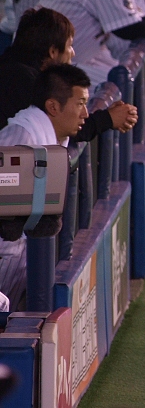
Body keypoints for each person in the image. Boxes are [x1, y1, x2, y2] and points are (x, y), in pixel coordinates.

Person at [0, 64, 93, 311]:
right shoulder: (22, 138)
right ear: (53, 106)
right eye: (80, 103)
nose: (86, 113)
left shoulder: (51, 134)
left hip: (16, 257)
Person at [0, 7, 137, 136]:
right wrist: (108, 119)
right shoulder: (23, 80)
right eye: (69, 46)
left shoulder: (12, 66)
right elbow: (60, 126)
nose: (73, 53)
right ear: (53, 52)